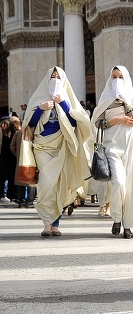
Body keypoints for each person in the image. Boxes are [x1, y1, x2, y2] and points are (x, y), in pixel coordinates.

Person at [22, 66, 91, 237]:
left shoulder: (67, 99)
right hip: (42, 146)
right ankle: (47, 223)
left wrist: (63, 104)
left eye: (58, 77)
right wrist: (41, 108)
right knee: (46, 183)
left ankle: (55, 224)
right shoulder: (38, 98)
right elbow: (29, 124)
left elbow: (76, 123)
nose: (55, 79)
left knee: (58, 186)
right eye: (52, 76)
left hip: (62, 145)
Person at [91, 65, 133, 239]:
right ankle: (116, 217)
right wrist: (116, 119)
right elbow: (97, 123)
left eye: (120, 77)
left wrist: (126, 103)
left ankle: (127, 225)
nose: (117, 80)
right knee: (118, 183)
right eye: (114, 77)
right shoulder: (104, 99)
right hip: (112, 148)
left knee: (131, 187)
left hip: (131, 147)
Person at [10, 118, 36, 208]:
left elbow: (12, 146)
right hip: (31, 159)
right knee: (30, 180)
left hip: (20, 160)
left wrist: (17, 155)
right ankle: (29, 201)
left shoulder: (18, 132)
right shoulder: (33, 131)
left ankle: (20, 201)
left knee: (20, 180)